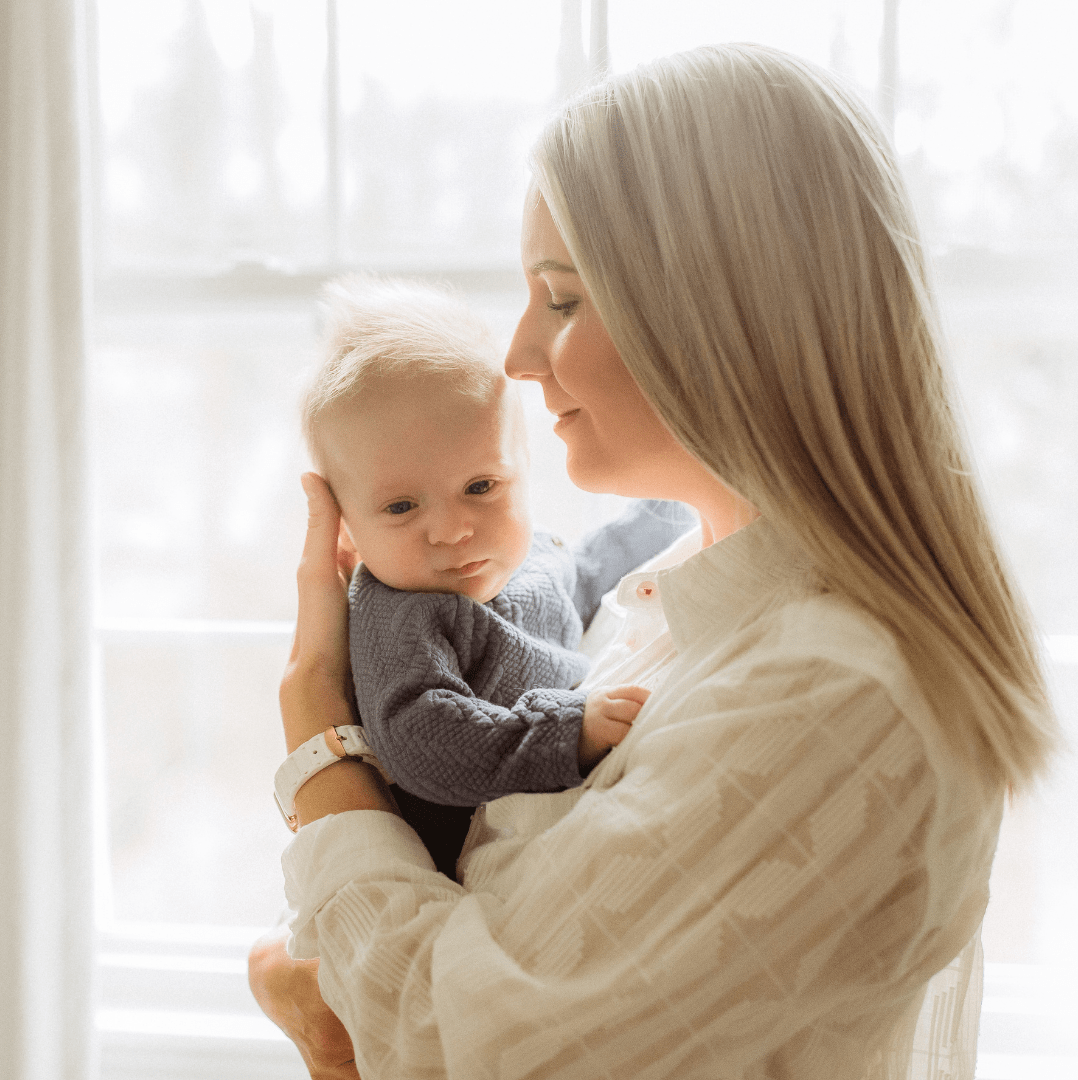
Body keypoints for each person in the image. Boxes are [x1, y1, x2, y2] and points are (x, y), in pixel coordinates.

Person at [249, 43, 1057, 1080]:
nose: (517, 354)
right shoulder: (669, 605)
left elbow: (460, 1045)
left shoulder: (832, 695)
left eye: (563, 297)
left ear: (722, 317)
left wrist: (318, 733)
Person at [299, 276, 694, 876]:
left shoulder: (532, 559)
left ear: (522, 469)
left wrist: (672, 500)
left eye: (481, 487)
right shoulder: (401, 613)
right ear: (346, 532)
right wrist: (566, 732)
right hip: (440, 876)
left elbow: (589, 575)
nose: (454, 530)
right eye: (402, 507)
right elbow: (422, 738)